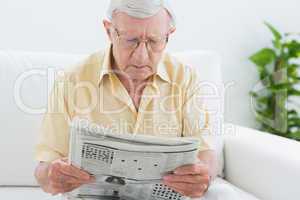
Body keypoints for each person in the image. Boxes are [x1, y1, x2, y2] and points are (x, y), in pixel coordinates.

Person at [34, 0, 218, 198]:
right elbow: (44, 169)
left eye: (154, 41)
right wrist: (52, 177)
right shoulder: (72, 81)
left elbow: (206, 154)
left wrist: (203, 177)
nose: (141, 57)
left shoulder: (185, 79)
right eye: (130, 40)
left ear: (168, 35)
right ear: (109, 31)